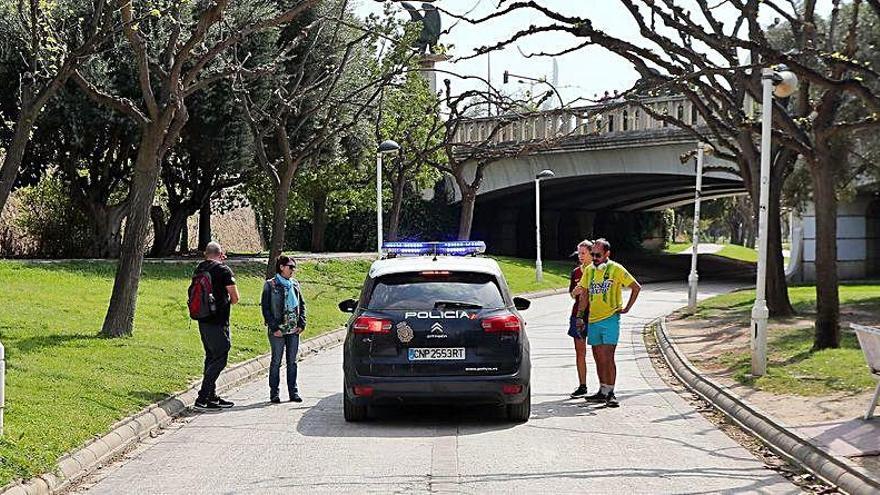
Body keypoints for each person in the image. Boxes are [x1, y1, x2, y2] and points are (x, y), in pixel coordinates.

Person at [573, 238, 640, 408]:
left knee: (608, 357)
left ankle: (611, 392)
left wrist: (626, 308)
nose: (594, 257)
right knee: (598, 357)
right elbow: (585, 295)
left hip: (610, 319)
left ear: (607, 254)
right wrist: (580, 316)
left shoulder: (616, 269)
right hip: (593, 319)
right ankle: (602, 390)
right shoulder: (589, 271)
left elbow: (636, 287)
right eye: (593, 254)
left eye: (598, 255)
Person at [194, 242, 239, 410]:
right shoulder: (223, 270)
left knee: (211, 357)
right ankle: (202, 397)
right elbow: (235, 297)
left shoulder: (199, 268)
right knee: (221, 356)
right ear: (221, 254)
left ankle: (211, 398)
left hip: (202, 319)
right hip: (218, 321)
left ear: (206, 254)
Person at [261, 255, 307, 403]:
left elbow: (302, 304)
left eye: (294, 267)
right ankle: (274, 393)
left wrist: (301, 323)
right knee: (276, 361)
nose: (293, 270)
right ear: (281, 267)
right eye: (290, 267)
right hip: (278, 330)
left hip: (293, 330)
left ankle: (293, 392)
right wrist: (274, 327)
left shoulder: (294, 284)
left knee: (292, 361)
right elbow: (266, 309)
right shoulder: (270, 285)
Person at [568, 240, 592, 398]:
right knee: (579, 352)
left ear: (591, 254)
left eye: (584, 253)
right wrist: (575, 292)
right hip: (577, 315)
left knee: (599, 352)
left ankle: (605, 386)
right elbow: (571, 294)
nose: (581, 256)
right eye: (579, 253)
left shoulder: (597, 271)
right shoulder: (576, 272)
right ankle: (582, 385)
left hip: (595, 315)